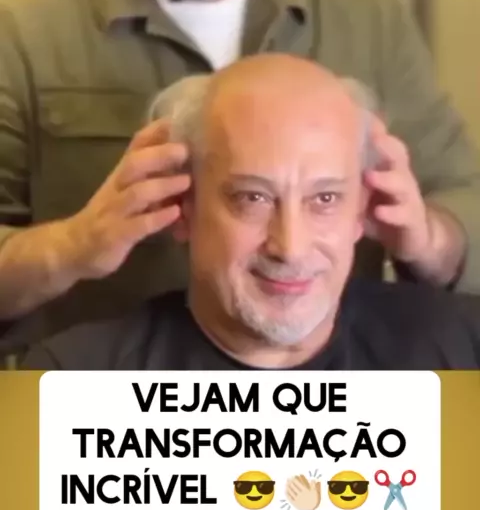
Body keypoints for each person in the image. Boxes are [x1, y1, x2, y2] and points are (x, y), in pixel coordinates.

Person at [1, 0, 480, 357]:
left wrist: (431, 240)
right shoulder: (20, 19)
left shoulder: (363, 6)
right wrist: (72, 245)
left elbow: (461, 194)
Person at [21, 56, 480, 370]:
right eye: (252, 198)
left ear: (363, 207)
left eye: (324, 199)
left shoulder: (460, 345)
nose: (291, 247)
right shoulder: (74, 380)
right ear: (181, 207)